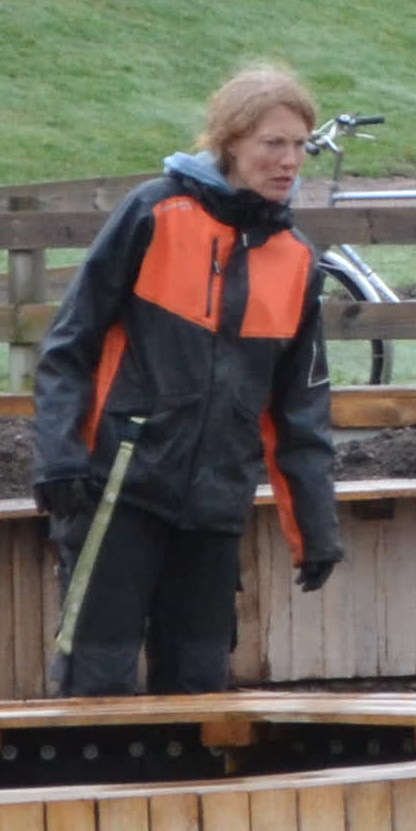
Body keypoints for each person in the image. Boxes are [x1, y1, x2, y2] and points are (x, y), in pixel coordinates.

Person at [32, 61, 345, 694]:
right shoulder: (154, 213)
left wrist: (314, 527)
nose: (290, 161)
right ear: (229, 143)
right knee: (98, 689)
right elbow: (70, 344)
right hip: (120, 492)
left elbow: (299, 409)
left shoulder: (298, 261)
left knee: (201, 689)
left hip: (215, 508)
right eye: (273, 144)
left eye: (300, 147)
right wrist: (58, 459)